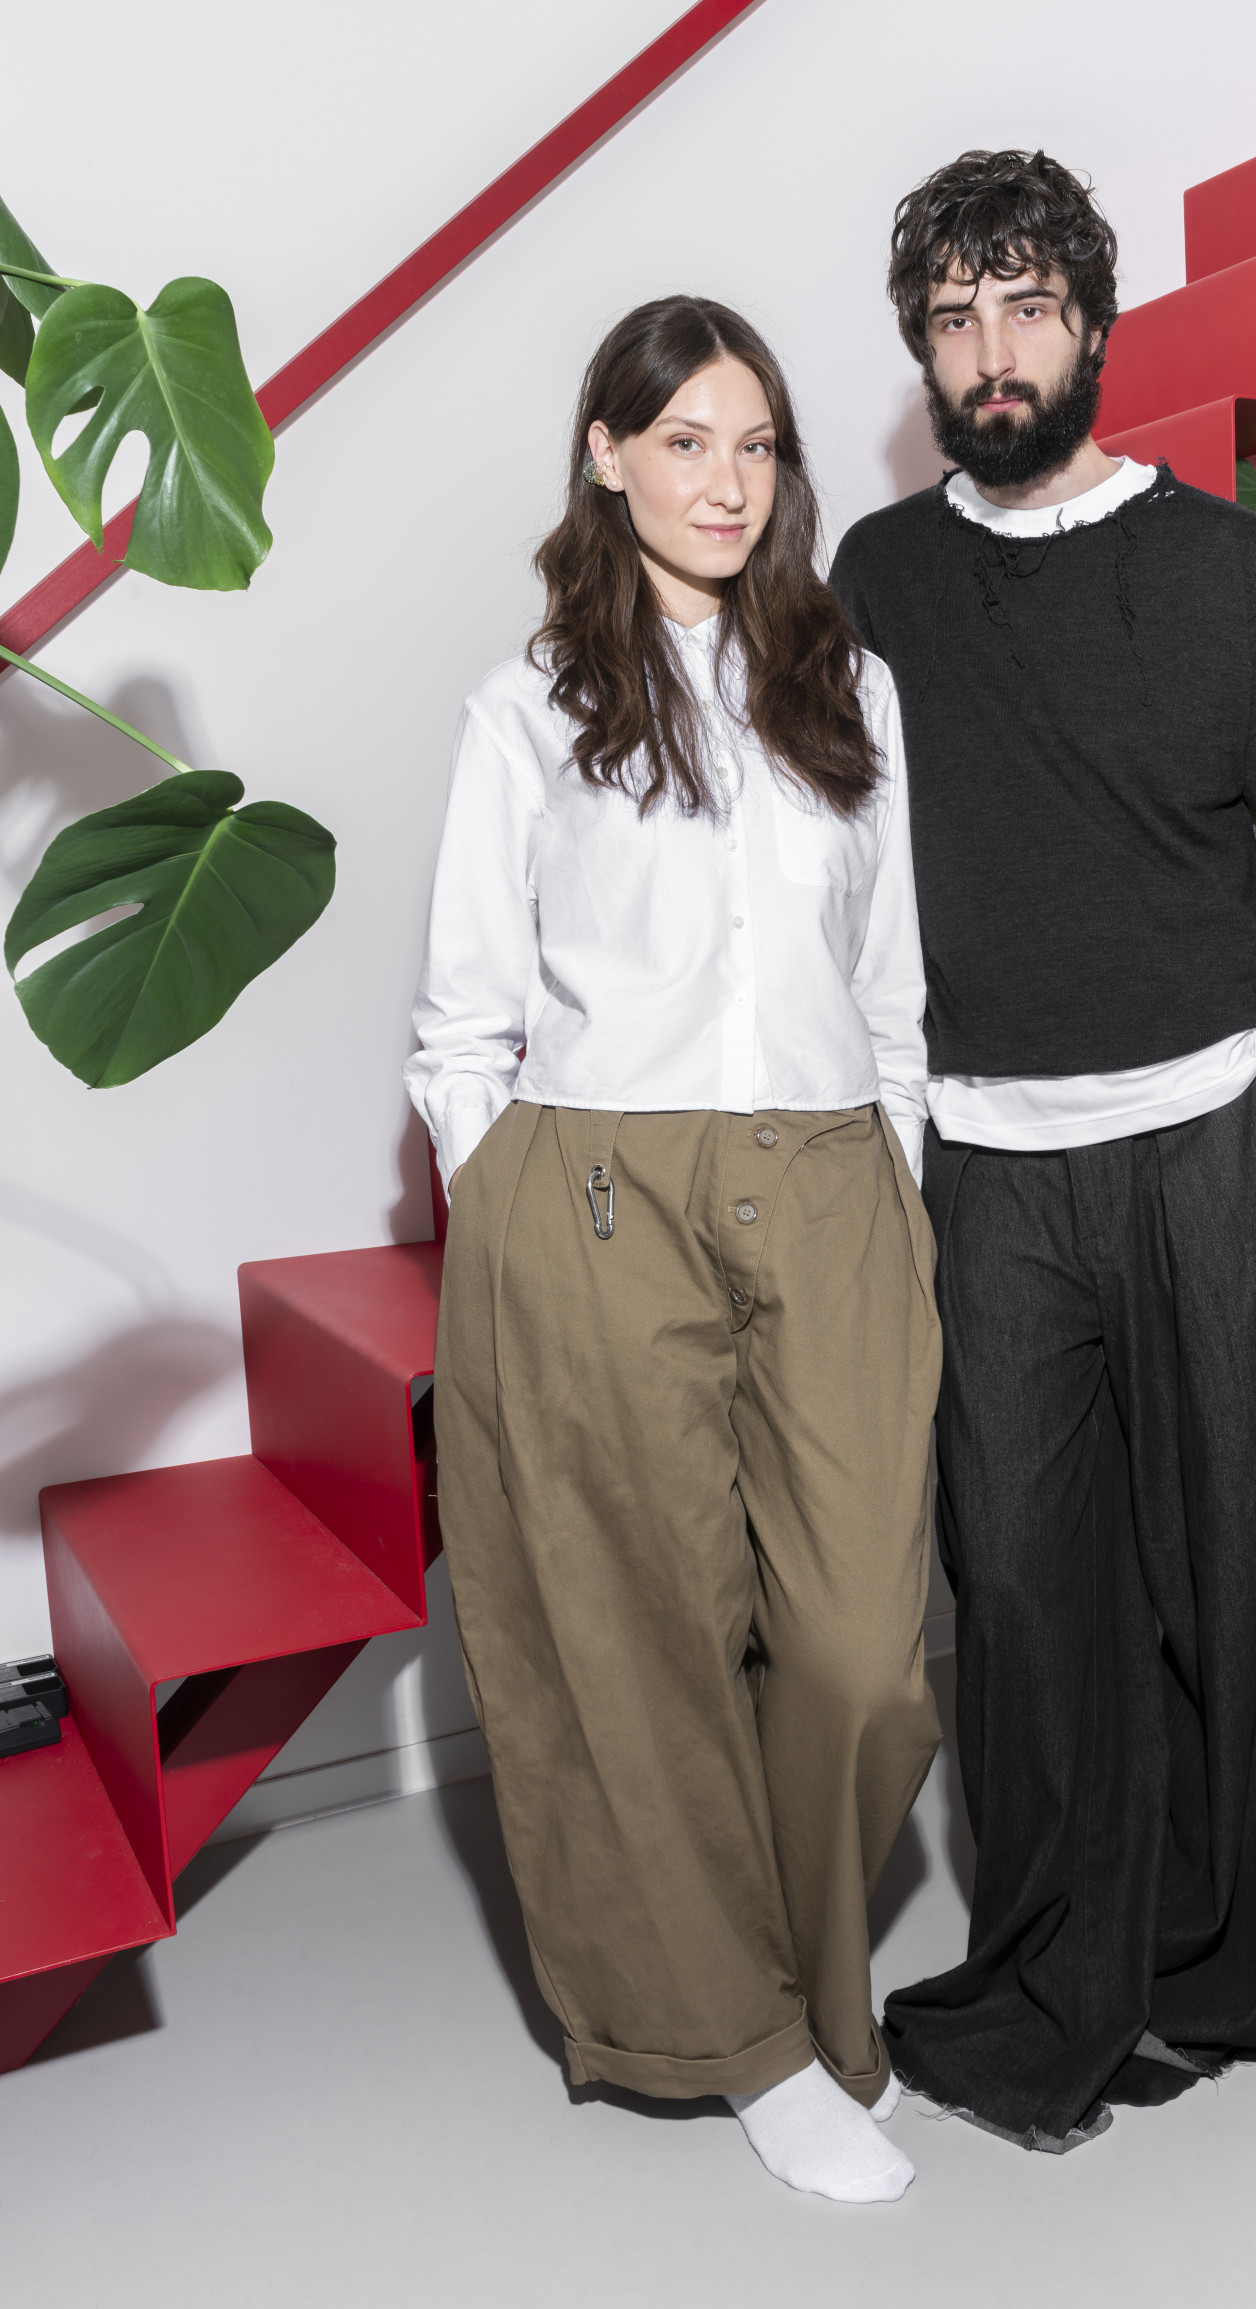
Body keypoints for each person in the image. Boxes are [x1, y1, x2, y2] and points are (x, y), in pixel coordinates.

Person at [828, 150, 1256, 2152]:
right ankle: (1063, 1958)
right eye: (953, 318)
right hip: (986, 1162)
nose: (991, 350)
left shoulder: (1227, 571)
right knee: (1024, 1588)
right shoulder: (880, 579)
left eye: (1025, 307)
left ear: (1092, 325)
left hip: (1203, 1137)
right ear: (925, 353)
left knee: (1235, 1570)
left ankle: (1234, 1966)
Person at [407, 296, 941, 2204]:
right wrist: (514, 1200)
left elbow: (893, 987)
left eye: (757, 444)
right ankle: (750, 2045)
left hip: (835, 1176)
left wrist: (897, 1170)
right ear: (608, 454)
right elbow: (464, 1020)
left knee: (863, 1654)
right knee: (641, 1647)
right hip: (599, 1195)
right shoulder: (528, 706)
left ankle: (810, 1983)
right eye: (686, 440)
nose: (727, 481)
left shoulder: (852, 691)